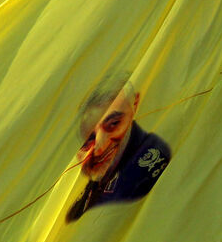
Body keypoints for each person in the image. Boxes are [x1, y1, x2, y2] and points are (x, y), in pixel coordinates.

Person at [66, 75, 171, 222]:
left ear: (135, 103)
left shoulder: (151, 159)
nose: (100, 148)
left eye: (114, 124)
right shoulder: (96, 178)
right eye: (90, 140)